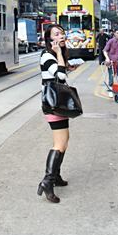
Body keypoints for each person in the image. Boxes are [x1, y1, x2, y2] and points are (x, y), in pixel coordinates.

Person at [38, 24, 74, 203]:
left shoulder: (53, 55)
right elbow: (60, 77)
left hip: (58, 103)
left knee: (64, 141)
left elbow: (61, 73)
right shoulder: (47, 55)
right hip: (53, 103)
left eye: (62, 33)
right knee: (60, 143)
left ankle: (56, 176)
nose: (61, 36)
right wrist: (59, 54)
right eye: (56, 34)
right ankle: (47, 181)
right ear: (49, 39)